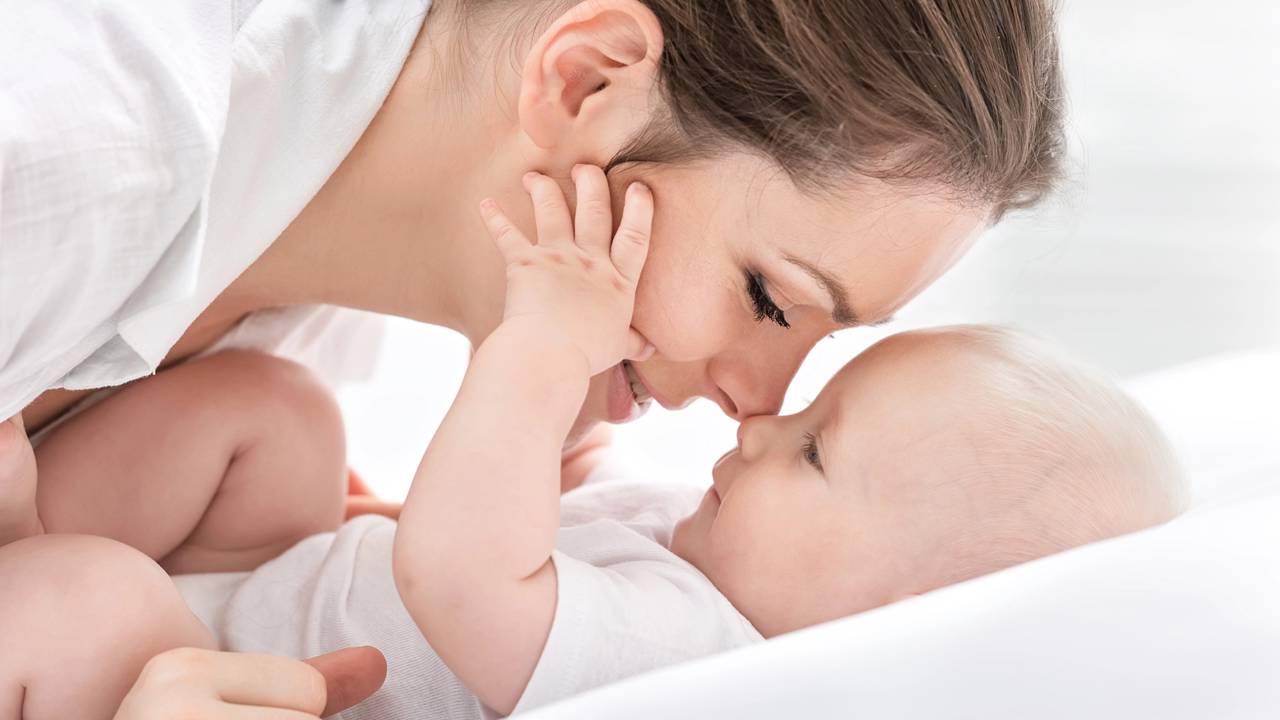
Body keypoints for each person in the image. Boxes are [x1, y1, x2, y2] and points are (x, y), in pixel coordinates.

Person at [0, 0, 1065, 711]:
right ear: (586, 81)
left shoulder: (367, 271)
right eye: (765, 299)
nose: (753, 406)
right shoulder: (65, 157)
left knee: (279, 419)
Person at [0, 173, 1184, 719]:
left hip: (219, 682)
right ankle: (30, 546)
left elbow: (460, 571)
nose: (762, 422)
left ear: (887, 612)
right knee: (278, 410)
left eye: (815, 451)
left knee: (94, 594)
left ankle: (28, 565)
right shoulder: (702, 547)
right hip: (260, 594)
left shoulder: (692, 661)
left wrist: (539, 346)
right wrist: (591, 384)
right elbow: (555, 490)